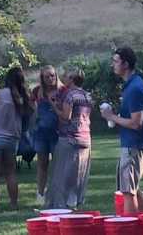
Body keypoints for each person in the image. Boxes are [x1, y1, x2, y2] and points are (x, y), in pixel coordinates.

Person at [100, 47, 143, 215]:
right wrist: (116, 116)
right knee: (133, 187)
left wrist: (111, 116)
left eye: (116, 61)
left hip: (135, 145)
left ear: (126, 64)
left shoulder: (135, 88)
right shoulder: (131, 85)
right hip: (133, 144)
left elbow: (136, 123)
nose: (113, 65)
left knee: (128, 192)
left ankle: (131, 228)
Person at [0, 66, 33, 212]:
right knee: (10, 172)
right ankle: (14, 205)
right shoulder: (23, 97)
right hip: (12, 139)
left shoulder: (0, 93)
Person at [46, 68, 92, 210]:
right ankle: (75, 203)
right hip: (85, 138)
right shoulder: (87, 95)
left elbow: (66, 117)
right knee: (78, 175)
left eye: (66, 76)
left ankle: (59, 206)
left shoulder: (70, 95)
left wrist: (53, 104)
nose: (63, 78)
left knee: (61, 174)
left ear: (72, 79)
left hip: (69, 139)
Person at [31, 65, 63, 204]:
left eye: (52, 75)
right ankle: (40, 194)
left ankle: (56, 193)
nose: (50, 79)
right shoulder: (38, 91)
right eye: (47, 77)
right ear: (42, 79)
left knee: (58, 165)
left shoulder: (62, 91)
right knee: (42, 164)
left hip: (57, 133)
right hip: (41, 132)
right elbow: (31, 106)